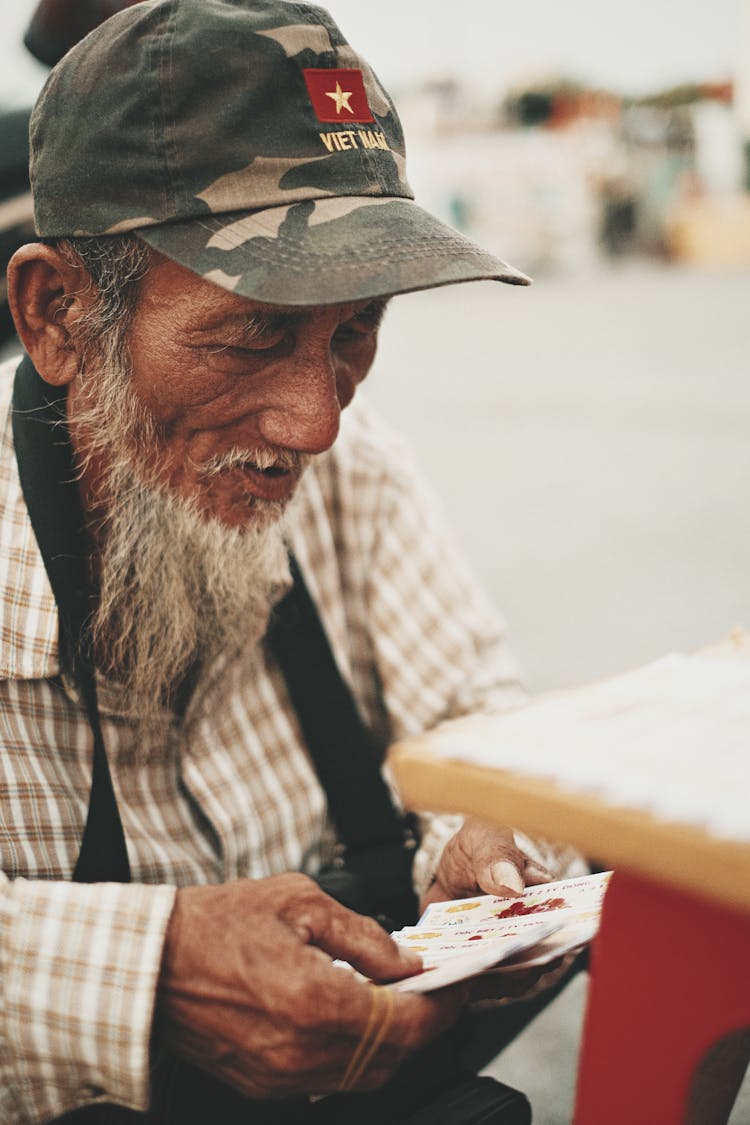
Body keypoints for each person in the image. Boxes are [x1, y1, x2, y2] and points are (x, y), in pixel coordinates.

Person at [1, 2, 584, 1121]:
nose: (317, 421)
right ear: (58, 314)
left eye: (355, 329)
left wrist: (497, 849)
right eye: (257, 330)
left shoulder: (355, 469)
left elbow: (487, 728)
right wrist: (146, 968)